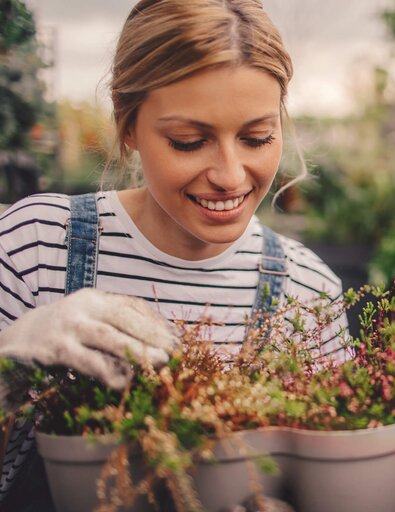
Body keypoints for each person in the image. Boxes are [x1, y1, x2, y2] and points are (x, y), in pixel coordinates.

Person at [0, 1, 346, 509]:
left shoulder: (306, 290)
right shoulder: (37, 244)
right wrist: (8, 365)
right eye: (189, 141)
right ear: (127, 123)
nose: (230, 174)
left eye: (256, 137)